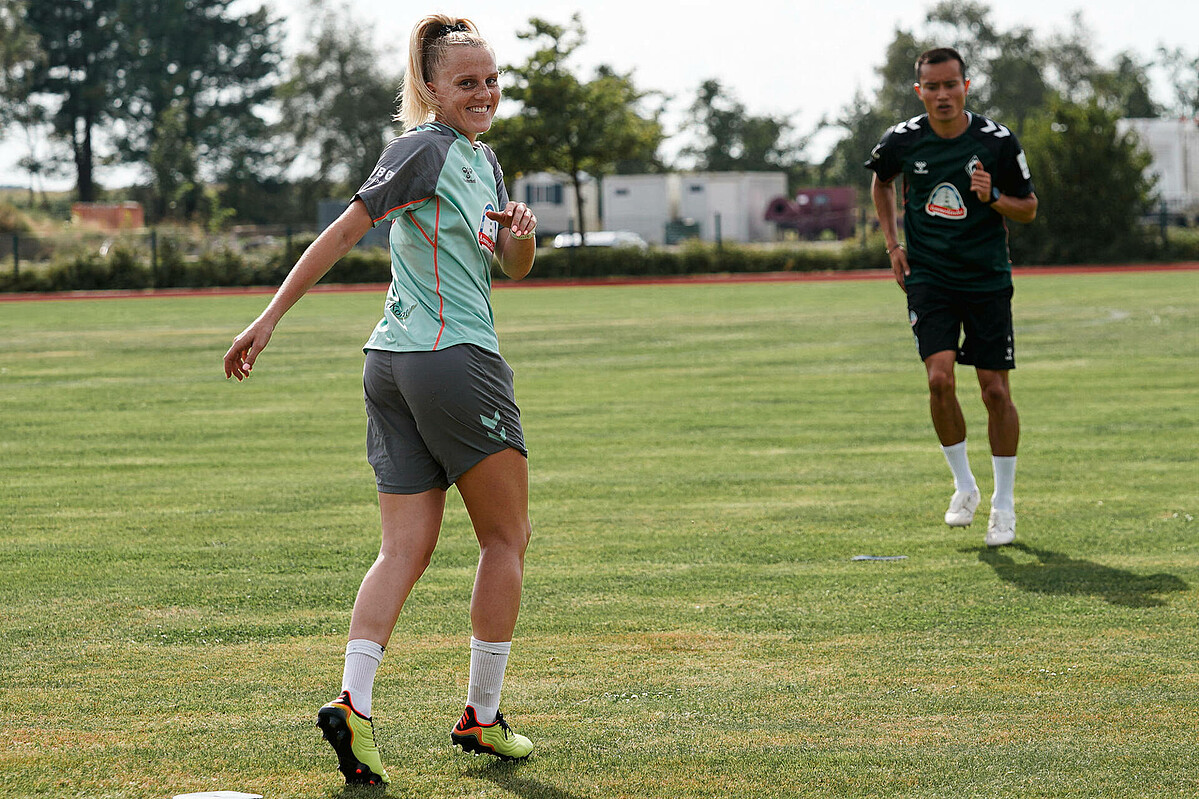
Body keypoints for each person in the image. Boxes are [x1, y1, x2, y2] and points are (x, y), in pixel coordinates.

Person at [223, 15, 538, 786]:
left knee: (404, 547)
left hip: (390, 364)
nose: (483, 92)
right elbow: (342, 232)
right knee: (507, 537)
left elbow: (513, 267)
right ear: (429, 87)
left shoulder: (482, 162)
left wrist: (523, 234)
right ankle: (483, 716)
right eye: (466, 82)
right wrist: (269, 316)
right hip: (452, 360)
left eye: (491, 79)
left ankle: (354, 706)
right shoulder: (422, 148)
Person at [865, 47, 1037, 547]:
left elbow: (1028, 208)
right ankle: (965, 485)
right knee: (939, 380)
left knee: (995, 391)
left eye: (951, 85)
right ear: (920, 91)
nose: (942, 94)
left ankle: (1003, 504)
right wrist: (893, 245)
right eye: (932, 87)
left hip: (985, 278)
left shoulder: (997, 141)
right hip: (929, 277)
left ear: (966, 86)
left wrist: (992, 197)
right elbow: (881, 183)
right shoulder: (902, 139)